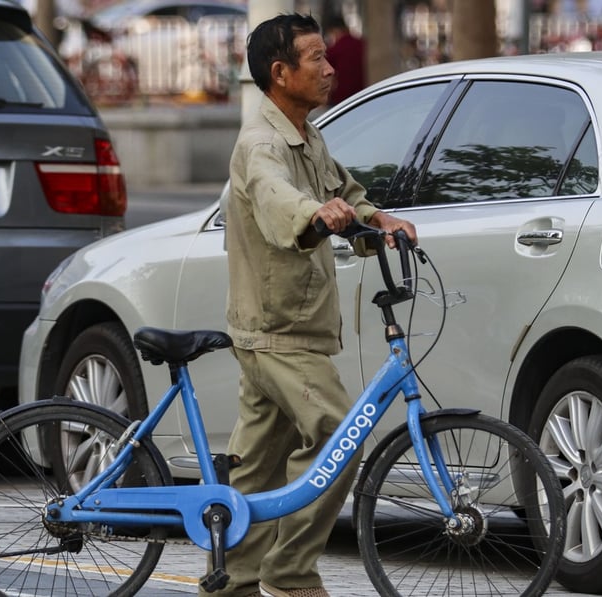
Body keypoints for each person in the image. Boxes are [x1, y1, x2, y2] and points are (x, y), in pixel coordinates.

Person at [206, 13, 416, 597]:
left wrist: (379, 218)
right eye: (317, 59)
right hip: (276, 331)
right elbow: (279, 196)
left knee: (258, 472)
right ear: (281, 73)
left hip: (292, 327)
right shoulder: (262, 143)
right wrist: (313, 215)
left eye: (328, 57)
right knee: (336, 437)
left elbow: (343, 190)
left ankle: (234, 582)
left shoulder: (308, 134)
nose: (329, 69)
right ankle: (290, 574)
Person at [323, 15, 365, 107]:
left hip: (342, 100)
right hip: (363, 95)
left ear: (334, 31)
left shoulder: (335, 49)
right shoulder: (362, 44)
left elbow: (326, 74)